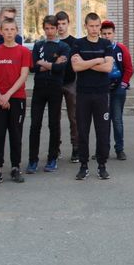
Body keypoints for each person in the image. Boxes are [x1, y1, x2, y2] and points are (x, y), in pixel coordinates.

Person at [0, 18, 31, 186]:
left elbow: (23, 75)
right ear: (1, 31)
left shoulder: (23, 52)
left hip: (17, 99)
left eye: (12, 29)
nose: (9, 32)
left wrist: (8, 95)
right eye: (6, 29)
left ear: (16, 31)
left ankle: (15, 167)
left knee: (15, 134)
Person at [71, 13, 114, 181]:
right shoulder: (78, 43)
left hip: (102, 94)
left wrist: (85, 64)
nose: (95, 29)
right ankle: (83, 166)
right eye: (91, 26)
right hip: (83, 94)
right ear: (86, 26)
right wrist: (97, 60)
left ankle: (102, 166)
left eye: (97, 26)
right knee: (83, 131)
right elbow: (75, 67)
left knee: (102, 131)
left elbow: (108, 68)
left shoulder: (106, 43)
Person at [27, 15, 70, 174]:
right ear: (43, 28)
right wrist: (52, 64)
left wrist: (44, 64)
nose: (50, 31)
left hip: (55, 89)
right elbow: (33, 67)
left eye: (53, 28)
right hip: (39, 88)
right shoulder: (38, 46)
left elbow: (61, 68)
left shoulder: (64, 47)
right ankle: (33, 160)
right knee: (35, 124)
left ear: (57, 29)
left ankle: (52, 158)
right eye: (47, 28)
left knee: (53, 123)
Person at [100, 20, 133, 161]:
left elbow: (129, 68)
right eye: (104, 34)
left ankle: (119, 149)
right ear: (101, 34)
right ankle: (102, 150)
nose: (107, 36)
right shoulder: (98, 48)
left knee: (117, 120)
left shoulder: (121, 48)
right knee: (103, 120)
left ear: (114, 33)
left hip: (118, 90)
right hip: (102, 90)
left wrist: (123, 84)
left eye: (109, 33)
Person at [56, 11, 79, 162]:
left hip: (71, 83)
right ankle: (55, 148)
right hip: (55, 83)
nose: (61, 27)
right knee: (54, 117)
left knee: (74, 117)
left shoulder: (75, 42)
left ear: (68, 24)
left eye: (64, 24)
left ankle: (76, 148)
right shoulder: (51, 41)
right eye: (58, 24)